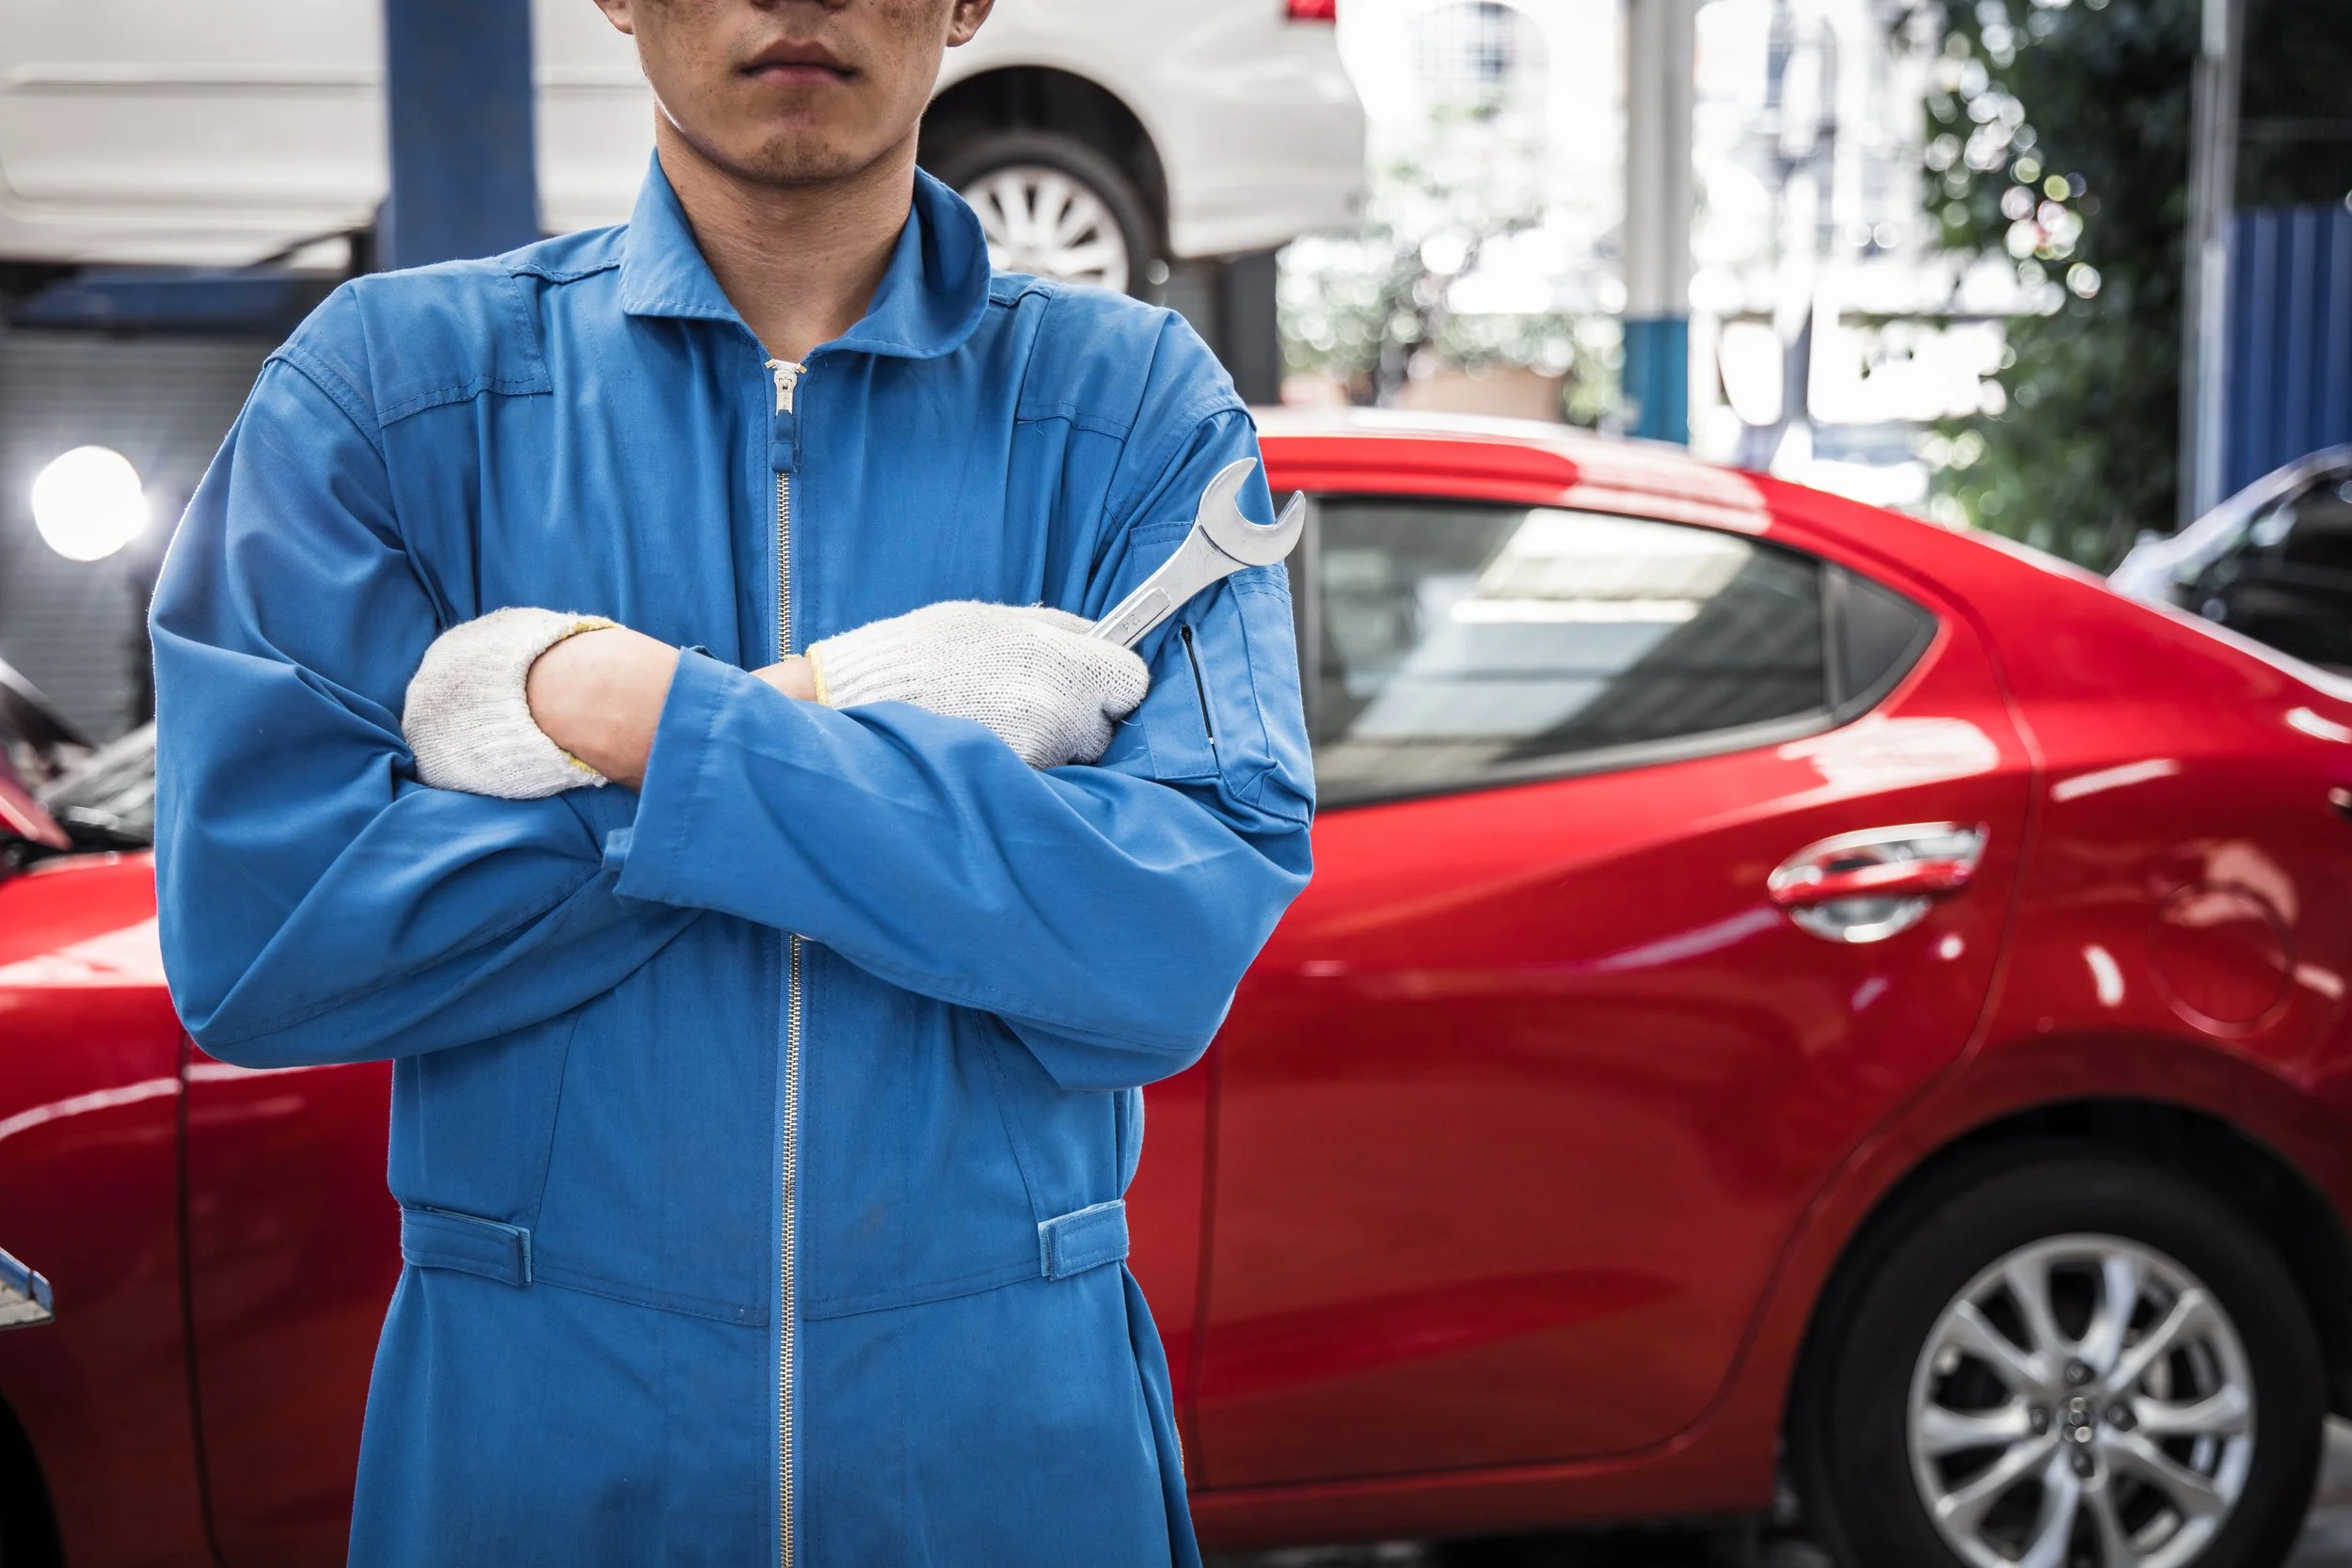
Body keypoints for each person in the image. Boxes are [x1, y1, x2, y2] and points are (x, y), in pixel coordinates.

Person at [146, 0, 1313, 1561]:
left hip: (1006, 1468)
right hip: (534, 1458)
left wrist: (639, 720)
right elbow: (267, 937)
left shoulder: (1129, 416)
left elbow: (1166, 939)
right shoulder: (390, 396)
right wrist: (848, 727)